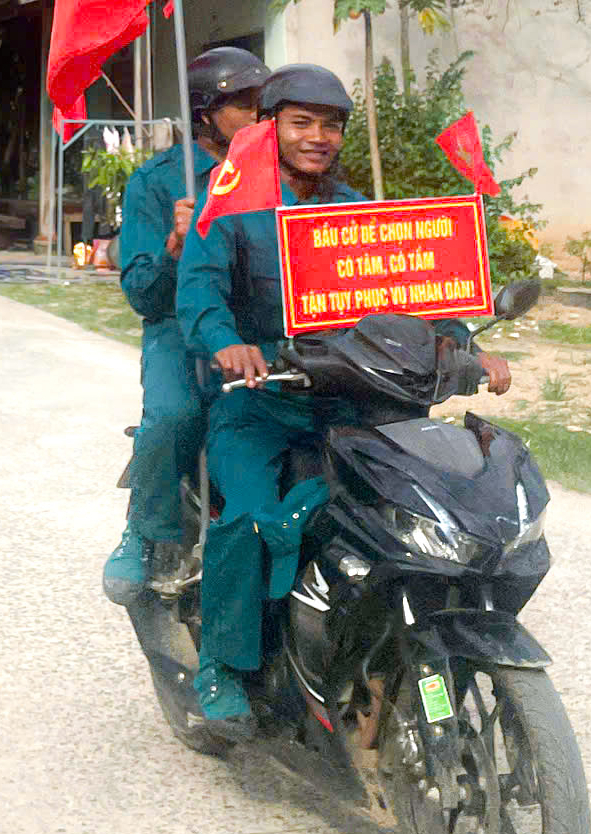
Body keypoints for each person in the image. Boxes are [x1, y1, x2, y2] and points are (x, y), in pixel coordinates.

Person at [175, 64, 512, 736]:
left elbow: (418, 294)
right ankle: (223, 668)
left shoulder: (356, 209)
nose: (317, 136)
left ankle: (382, 637)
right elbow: (199, 295)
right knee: (246, 515)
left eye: (330, 124)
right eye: (301, 122)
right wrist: (227, 344)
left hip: (356, 401)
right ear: (269, 127)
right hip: (262, 399)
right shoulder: (230, 203)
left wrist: (464, 344)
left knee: (417, 510)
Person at [103, 47, 269, 605]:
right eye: (243, 104)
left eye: (263, 104)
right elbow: (142, 294)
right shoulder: (156, 183)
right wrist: (177, 244)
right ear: (205, 112)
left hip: (260, 325)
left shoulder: (281, 175)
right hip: (179, 323)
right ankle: (145, 531)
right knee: (174, 414)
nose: (258, 116)